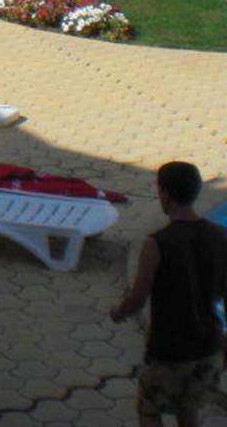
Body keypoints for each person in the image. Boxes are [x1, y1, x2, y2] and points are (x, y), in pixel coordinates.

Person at [110, 161, 227, 427]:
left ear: (165, 193)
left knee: (149, 409)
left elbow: (138, 299)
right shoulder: (221, 236)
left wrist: (118, 312)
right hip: (208, 346)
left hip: (170, 349)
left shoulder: (157, 244)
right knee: (188, 408)